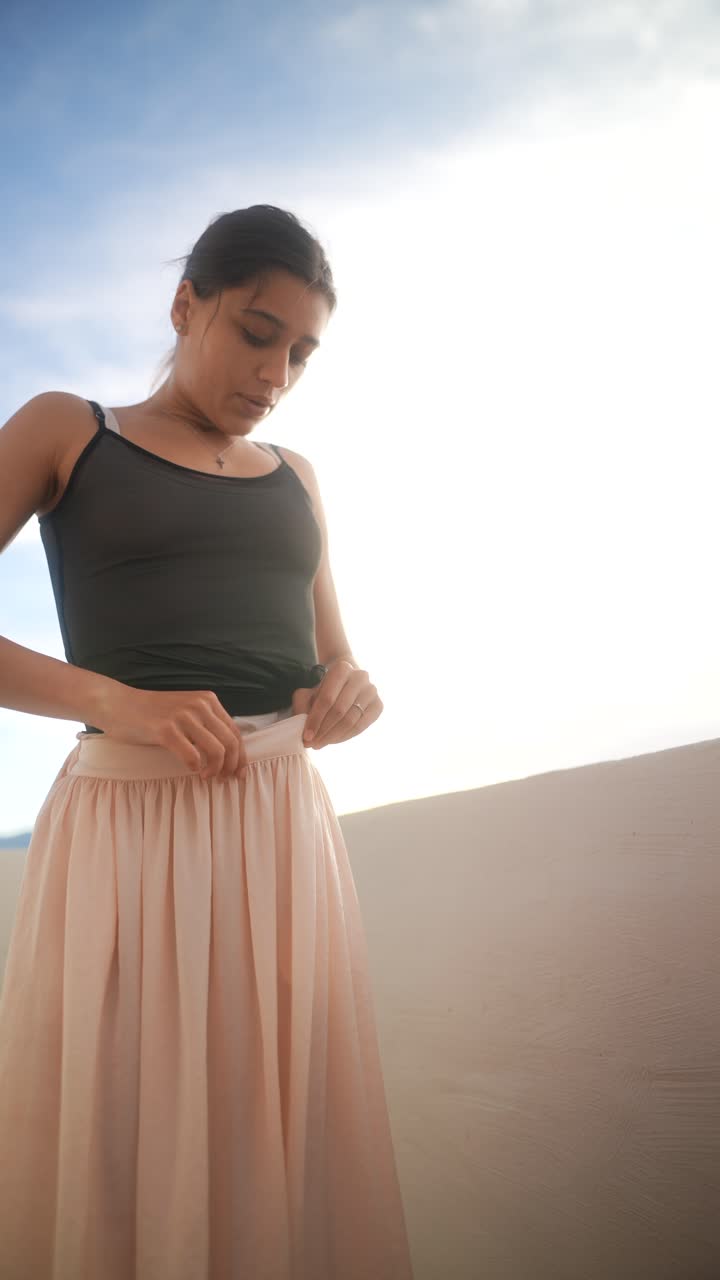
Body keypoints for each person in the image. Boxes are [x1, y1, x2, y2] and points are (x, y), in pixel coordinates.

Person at [0, 205, 415, 1279]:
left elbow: (333, 660)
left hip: (283, 831)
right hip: (131, 825)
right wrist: (118, 699)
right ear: (186, 306)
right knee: (132, 1123)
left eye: (301, 350)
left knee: (272, 1120)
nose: (276, 370)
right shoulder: (67, 427)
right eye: (255, 330)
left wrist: (349, 691)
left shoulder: (297, 475)